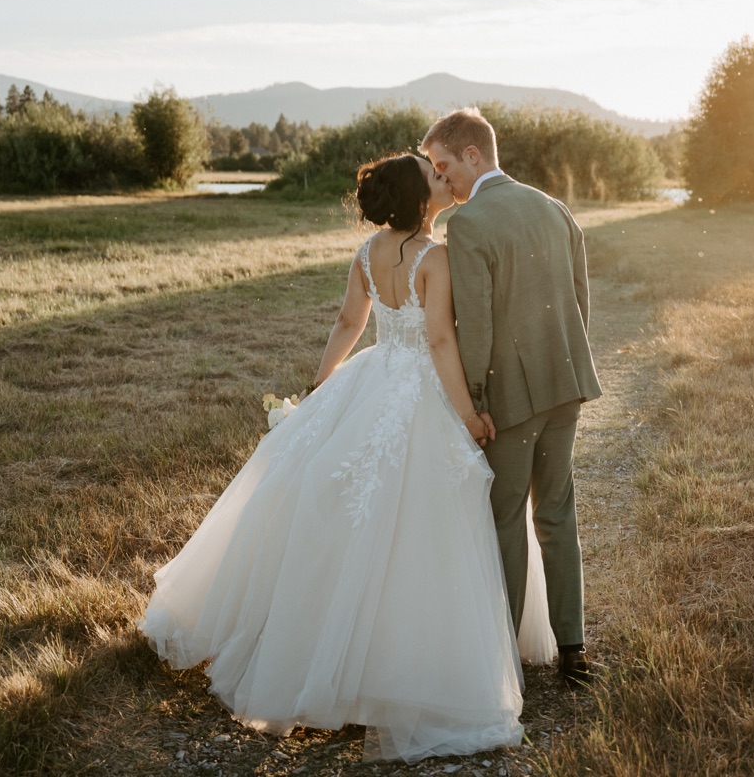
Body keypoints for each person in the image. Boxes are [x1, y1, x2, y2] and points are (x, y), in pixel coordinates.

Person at [137, 153, 554, 763]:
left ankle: (329, 649)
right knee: (417, 514)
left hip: (373, 376)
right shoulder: (433, 257)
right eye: (434, 178)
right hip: (417, 389)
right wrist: (467, 415)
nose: (444, 181)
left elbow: (346, 323)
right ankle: (400, 668)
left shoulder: (366, 255)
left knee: (347, 504)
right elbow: (440, 340)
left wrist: (319, 390)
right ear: (419, 199)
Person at [421, 108, 602, 689]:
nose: (443, 180)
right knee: (556, 511)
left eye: (444, 166)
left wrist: (473, 403)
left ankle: (502, 664)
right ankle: (572, 650)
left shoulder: (469, 225)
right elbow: (580, 300)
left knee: (503, 520)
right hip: (565, 383)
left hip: (509, 399)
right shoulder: (555, 208)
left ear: (473, 156)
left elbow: (475, 326)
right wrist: (568, 365)